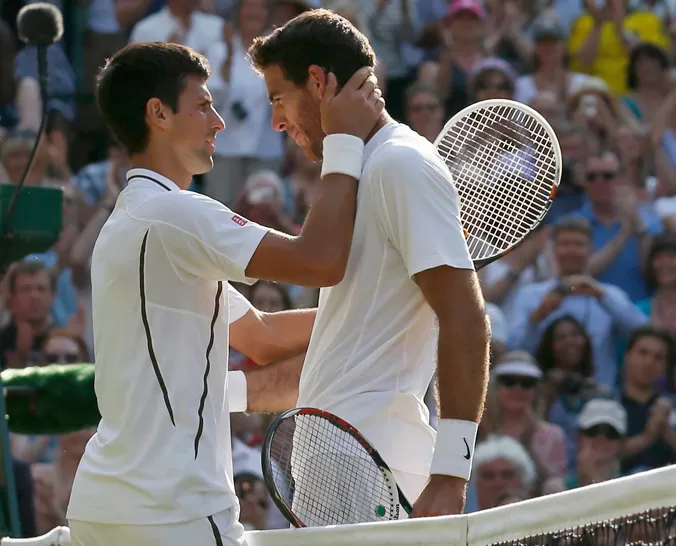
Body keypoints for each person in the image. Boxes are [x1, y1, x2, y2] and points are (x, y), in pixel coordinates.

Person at [65, 41, 385, 545]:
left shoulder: (134, 220)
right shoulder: (179, 214)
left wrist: (383, 320)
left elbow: (261, 337)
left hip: (103, 510)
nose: (219, 121)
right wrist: (344, 140)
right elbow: (319, 261)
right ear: (158, 114)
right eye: (203, 105)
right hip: (173, 515)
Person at [247, 8, 490, 519]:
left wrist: (450, 475)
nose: (276, 121)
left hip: (364, 458)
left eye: (278, 99)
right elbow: (348, 345)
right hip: (339, 456)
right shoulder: (364, 167)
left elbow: (466, 318)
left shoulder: (401, 163)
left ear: (317, 82)